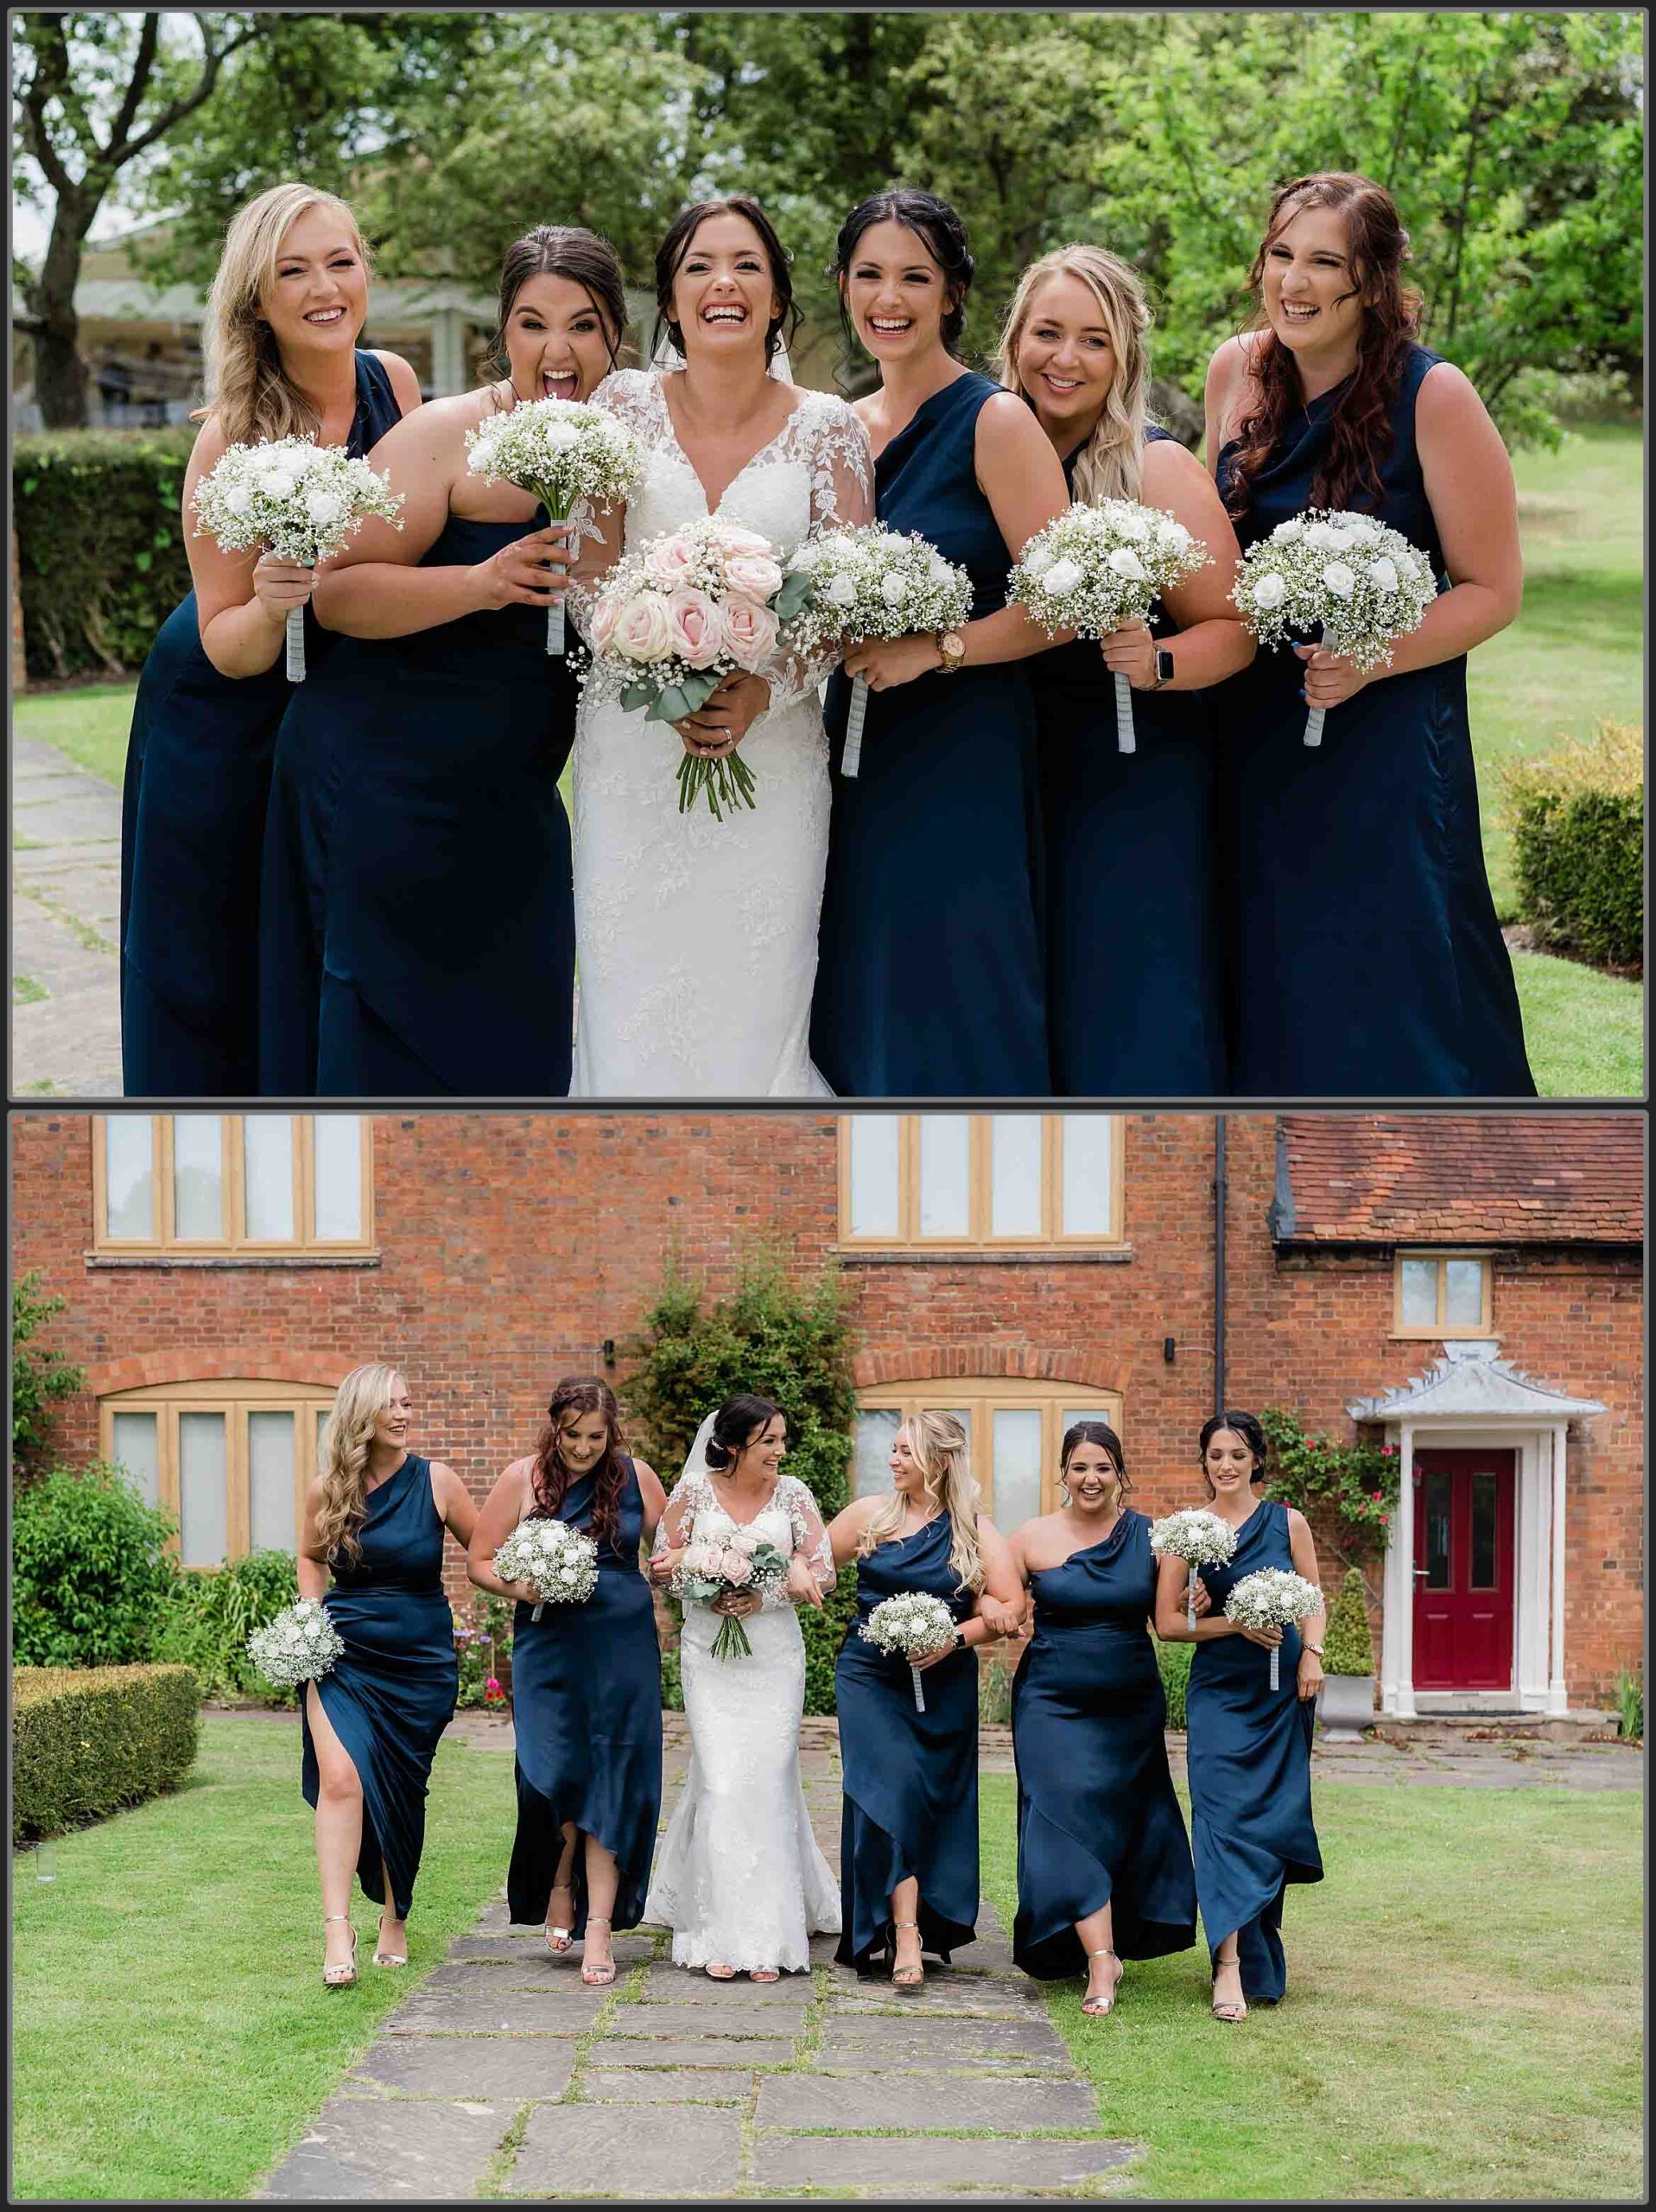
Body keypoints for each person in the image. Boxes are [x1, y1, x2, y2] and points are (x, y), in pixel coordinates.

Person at [258, 226, 623, 1096]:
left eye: (583, 324)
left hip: (513, 803)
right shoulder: (446, 433)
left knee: (516, 1041)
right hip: (387, 785)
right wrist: (484, 582)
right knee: (384, 1046)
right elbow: (334, 590)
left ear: (616, 337)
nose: (558, 349)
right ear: (504, 335)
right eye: (533, 324)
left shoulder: (629, 448)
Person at [1206, 171, 1535, 1096]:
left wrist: (1371, 659)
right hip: (1252, 726)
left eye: (1324, 263)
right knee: (1266, 957)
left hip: (1384, 738)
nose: (1294, 283)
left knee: (1390, 969)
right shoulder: (1234, 368)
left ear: (1374, 283)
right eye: (1281, 256)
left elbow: (1493, 589)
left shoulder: (1437, 396)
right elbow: (1214, 547)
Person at [568, 198, 873, 1096]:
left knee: (759, 981)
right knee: (632, 978)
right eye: (699, 266)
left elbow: (840, 594)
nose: (723, 283)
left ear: (779, 296)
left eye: (746, 265)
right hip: (633, 748)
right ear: (669, 297)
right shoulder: (619, 404)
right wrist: (654, 668)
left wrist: (761, 688)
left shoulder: (831, 429)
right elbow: (588, 573)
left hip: (772, 748)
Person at [121, 182, 416, 1096]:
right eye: (293, 270)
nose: (324, 287)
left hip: (335, 709)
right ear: (257, 297)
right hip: (219, 719)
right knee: (211, 957)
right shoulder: (228, 438)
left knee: (319, 941)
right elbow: (226, 641)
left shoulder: (395, 384)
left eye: (341, 261)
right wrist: (274, 602)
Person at [809, 188, 1071, 1098]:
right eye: (872, 275)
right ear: (844, 286)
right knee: (860, 981)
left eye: (915, 277)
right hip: (850, 756)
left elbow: (1063, 601)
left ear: (953, 293)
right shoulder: (836, 426)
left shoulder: (995, 421)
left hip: (962, 755)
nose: (892, 297)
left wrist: (937, 649)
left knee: (957, 986)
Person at [999, 245, 1253, 1096]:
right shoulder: (982, 448)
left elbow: (1235, 627)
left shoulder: (1157, 470)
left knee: (1128, 1005)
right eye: (1047, 333)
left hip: (1128, 778)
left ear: (1125, 358)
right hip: (1004, 770)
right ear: (1014, 340)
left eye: (1093, 340)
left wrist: (1159, 661)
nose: (1064, 359)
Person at [467, 1376, 666, 1987]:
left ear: (613, 1432)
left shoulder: (637, 1476)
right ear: (554, 1427)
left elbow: (672, 1549)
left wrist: (693, 1567)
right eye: (573, 1436)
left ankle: (600, 1927)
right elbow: (479, 1561)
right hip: (547, 1647)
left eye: (596, 1437)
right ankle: (558, 1882)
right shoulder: (520, 1478)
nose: (584, 1448)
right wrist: (520, 1586)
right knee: (549, 1775)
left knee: (613, 1776)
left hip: (622, 1646)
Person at [824, 1411, 1024, 1988]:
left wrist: (956, 1636)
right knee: (889, 1792)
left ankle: (907, 1924)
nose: (892, 1460)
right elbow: (810, 1563)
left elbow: (1009, 1609)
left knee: (929, 1798)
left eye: (905, 1451)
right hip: (867, 1676)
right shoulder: (869, 1516)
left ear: (938, 1462)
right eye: (892, 1449)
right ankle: (902, 1933)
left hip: (942, 1685)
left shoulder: (975, 1532)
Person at [1006, 1421, 1198, 2017]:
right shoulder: (1028, 1537)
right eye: (1079, 1468)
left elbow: (1172, 1616)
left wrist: (1207, 1599)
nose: (1090, 1479)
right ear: (1061, 1473)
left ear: (1120, 1473)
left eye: (1102, 1468)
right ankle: (1098, 1959)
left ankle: (1110, 1944)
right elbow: (996, 1601)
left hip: (1127, 1701)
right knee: (1059, 1816)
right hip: (1048, 1700)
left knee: (1115, 1822)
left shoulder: (1156, 1537)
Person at [644, 1395, 841, 1977]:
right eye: (768, 1442)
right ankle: (717, 1931)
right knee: (725, 1783)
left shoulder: (795, 1496)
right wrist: (707, 1584)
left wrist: (768, 1589)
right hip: (711, 1656)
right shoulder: (694, 1493)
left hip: (774, 1655)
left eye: (782, 1440)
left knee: (770, 1780)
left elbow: (822, 1567)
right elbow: (663, 1563)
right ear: (732, 1446)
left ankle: (772, 1937)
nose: (780, 1451)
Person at [298, 1363, 474, 1988]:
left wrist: (544, 1576)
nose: (403, 1413)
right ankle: (337, 1928)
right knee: (341, 1778)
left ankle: (396, 1914)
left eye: (408, 1402)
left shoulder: (439, 1483)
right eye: (391, 1404)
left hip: (420, 1664)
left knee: (401, 1788)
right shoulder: (329, 1489)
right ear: (362, 1415)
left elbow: (484, 1554)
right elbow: (310, 1557)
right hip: (342, 1653)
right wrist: (308, 1619)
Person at [1155, 1409, 1325, 2022]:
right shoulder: (1189, 1530)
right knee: (1221, 1821)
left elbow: (1312, 1598)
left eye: (1236, 1454)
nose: (1224, 1466)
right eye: (1214, 1455)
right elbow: (1169, 1623)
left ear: (1256, 1458)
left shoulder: (1289, 1522)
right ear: (1203, 1462)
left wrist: (1312, 1653)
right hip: (1219, 1695)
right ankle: (1226, 1967)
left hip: (1280, 1696)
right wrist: (1232, 1622)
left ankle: (1258, 1958)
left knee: (1268, 1825)